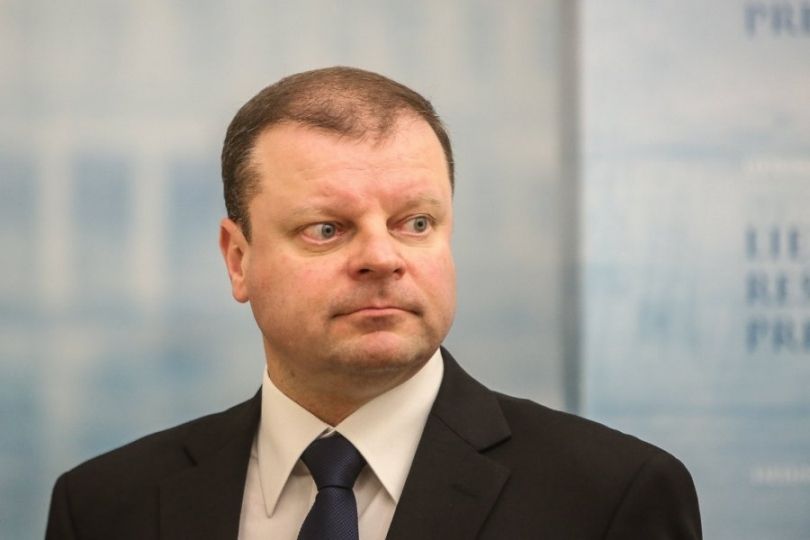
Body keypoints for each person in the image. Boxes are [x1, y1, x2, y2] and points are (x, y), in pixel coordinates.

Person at [45, 66, 702, 539]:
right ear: (238, 259)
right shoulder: (105, 507)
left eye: (416, 223)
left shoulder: (611, 498)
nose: (382, 258)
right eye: (326, 229)